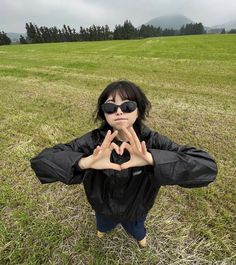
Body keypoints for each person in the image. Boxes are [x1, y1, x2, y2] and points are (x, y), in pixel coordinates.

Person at [30, 80, 217, 247]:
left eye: (128, 106)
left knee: (137, 230)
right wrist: (85, 162)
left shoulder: (151, 141)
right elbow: (42, 161)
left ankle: (140, 238)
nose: (119, 111)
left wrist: (152, 159)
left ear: (139, 110)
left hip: (138, 210)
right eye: (110, 107)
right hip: (102, 207)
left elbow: (206, 167)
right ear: (104, 114)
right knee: (103, 225)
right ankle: (102, 231)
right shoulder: (93, 141)